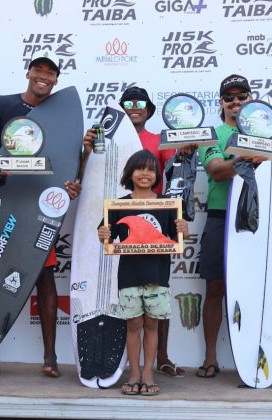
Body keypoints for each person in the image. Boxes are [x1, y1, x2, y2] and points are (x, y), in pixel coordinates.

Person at [0, 50, 88, 378]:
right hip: (1, 202)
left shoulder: (63, 115)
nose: (43, 76)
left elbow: (72, 160)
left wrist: (74, 184)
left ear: (55, 80)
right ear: (29, 72)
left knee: (44, 276)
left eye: (50, 73)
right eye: (38, 69)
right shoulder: (2, 105)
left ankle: (50, 357)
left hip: (41, 208)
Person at [83, 86, 187, 377]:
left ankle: (160, 359)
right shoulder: (106, 138)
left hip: (159, 225)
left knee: (155, 313)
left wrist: (178, 220)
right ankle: (131, 370)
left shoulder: (160, 140)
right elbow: (91, 172)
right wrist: (87, 151)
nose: (134, 106)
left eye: (141, 101)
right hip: (120, 216)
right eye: (128, 102)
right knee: (134, 320)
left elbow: (173, 178)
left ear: (150, 108)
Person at [97, 150, 188, 395]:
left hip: (158, 276)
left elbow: (177, 237)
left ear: (157, 174)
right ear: (130, 173)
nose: (145, 174)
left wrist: (183, 229)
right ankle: (134, 372)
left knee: (151, 324)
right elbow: (105, 234)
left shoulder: (167, 203)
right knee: (134, 324)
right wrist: (103, 234)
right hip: (129, 275)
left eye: (150, 169)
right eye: (140, 169)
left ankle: (148, 372)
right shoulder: (119, 204)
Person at [196, 74, 269, 378]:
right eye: (230, 97)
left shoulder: (269, 132)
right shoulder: (212, 133)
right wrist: (247, 159)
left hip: (256, 220)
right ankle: (210, 358)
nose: (236, 102)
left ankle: (255, 357)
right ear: (221, 103)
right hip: (220, 217)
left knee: (255, 290)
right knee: (214, 288)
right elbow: (216, 170)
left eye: (242, 96)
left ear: (251, 99)